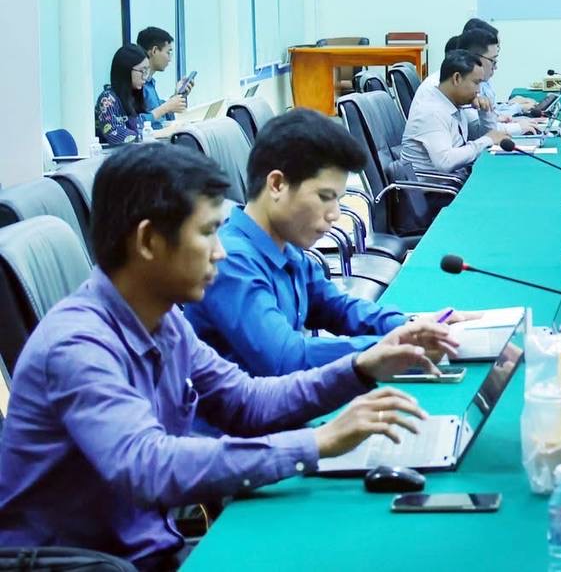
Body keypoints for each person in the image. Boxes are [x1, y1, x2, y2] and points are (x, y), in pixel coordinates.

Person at [0, 145, 451, 569]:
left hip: (148, 549)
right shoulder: (77, 346)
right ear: (149, 241)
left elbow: (246, 401)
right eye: (207, 233)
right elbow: (149, 465)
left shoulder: (164, 320)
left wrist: (360, 367)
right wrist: (317, 443)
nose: (220, 251)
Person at [185, 109, 462, 376]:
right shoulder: (230, 261)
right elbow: (285, 359)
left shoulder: (285, 245)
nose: (335, 214)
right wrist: (398, 346)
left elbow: (336, 307)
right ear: (277, 184)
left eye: (338, 199)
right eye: (324, 197)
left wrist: (409, 325)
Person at [402, 50, 501, 180]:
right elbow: (445, 162)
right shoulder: (431, 111)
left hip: (454, 180)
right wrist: (487, 140)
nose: (478, 90)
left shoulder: (453, 103)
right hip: (435, 190)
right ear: (457, 78)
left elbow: (490, 138)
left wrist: (485, 112)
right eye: (476, 83)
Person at [455, 28, 540, 137]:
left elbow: (485, 132)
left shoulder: (474, 81)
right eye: (492, 60)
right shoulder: (459, 85)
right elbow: (478, 133)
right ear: (475, 58)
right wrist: (517, 127)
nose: (495, 67)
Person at [95, 44, 149, 145]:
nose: (145, 77)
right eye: (142, 71)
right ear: (126, 70)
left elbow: (141, 129)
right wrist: (149, 136)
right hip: (112, 154)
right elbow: (117, 136)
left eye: (147, 71)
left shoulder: (132, 96)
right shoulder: (107, 100)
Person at [135, 26, 190, 127]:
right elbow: (136, 123)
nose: (170, 59)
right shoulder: (137, 85)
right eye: (168, 52)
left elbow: (162, 117)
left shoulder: (150, 84)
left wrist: (177, 95)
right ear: (154, 51)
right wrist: (166, 107)